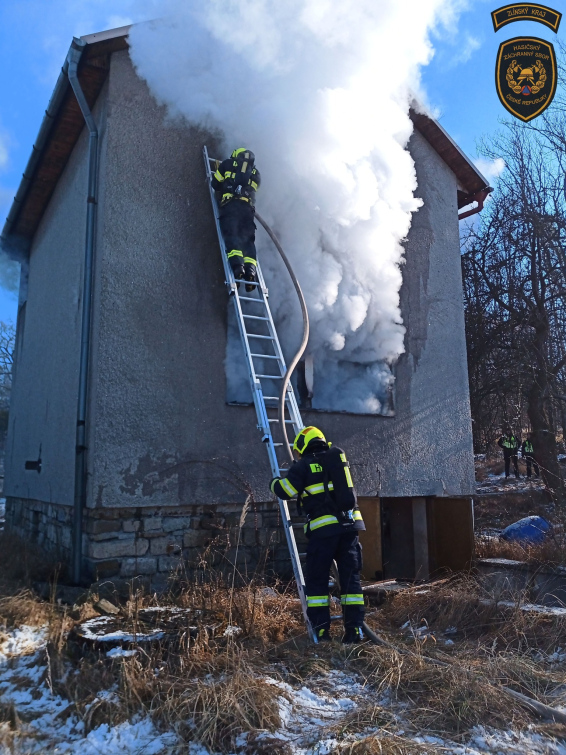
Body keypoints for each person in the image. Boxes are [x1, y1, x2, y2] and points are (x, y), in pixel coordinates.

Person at [269, 426, 366, 644]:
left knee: (317, 583)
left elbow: (286, 491)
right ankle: (355, 632)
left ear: (302, 446)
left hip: (323, 533)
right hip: (350, 528)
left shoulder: (303, 465)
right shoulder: (337, 460)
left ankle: (322, 633)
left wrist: (273, 482)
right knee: (351, 583)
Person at [211, 148, 261, 292]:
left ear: (235, 156)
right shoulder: (256, 174)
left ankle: (238, 267)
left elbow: (215, 184)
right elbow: (253, 192)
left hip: (231, 206)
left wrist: (226, 185)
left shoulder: (227, 164)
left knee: (232, 234)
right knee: (248, 240)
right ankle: (250, 271)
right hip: (247, 211)